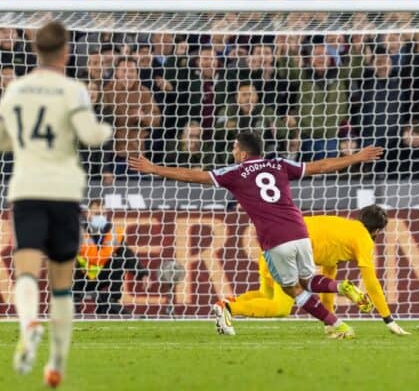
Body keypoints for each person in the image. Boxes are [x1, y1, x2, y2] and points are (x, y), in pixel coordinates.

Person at [129, 131, 383, 339]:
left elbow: (191, 176)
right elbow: (322, 165)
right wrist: (357, 156)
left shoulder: (235, 173)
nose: (232, 152)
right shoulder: (280, 164)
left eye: (233, 148)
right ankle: (340, 288)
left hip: (275, 237)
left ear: (241, 151)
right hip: (301, 230)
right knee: (308, 280)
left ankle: (337, 324)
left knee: (291, 289)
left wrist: (154, 168)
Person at [0, 22, 111, 387]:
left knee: (27, 268)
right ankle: (56, 364)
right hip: (64, 190)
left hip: (27, 188)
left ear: (36, 51)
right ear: (65, 52)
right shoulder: (71, 89)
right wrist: (108, 129)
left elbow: (3, 141)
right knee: (62, 286)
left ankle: (29, 320)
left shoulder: (15, 89)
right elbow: (91, 136)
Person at [223, 206, 410, 336]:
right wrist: (388, 319)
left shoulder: (341, 231)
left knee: (265, 294)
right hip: (288, 251)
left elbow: (328, 279)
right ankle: (228, 309)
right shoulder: (363, 239)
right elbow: (372, 284)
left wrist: (329, 323)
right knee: (280, 308)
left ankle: (224, 303)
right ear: (377, 230)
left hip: (272, 241)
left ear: (360, 218)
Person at [73, 199, 150, 315]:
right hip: (81, 277)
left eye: (103, 214)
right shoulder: (78, 231)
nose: (101, 217)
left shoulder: (113, 233)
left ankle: (112, 300)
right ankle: (73, 304)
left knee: (120, 258)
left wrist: (142, 274)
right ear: (88, 214)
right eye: (97, 214)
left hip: (103, 275)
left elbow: (127, 253)